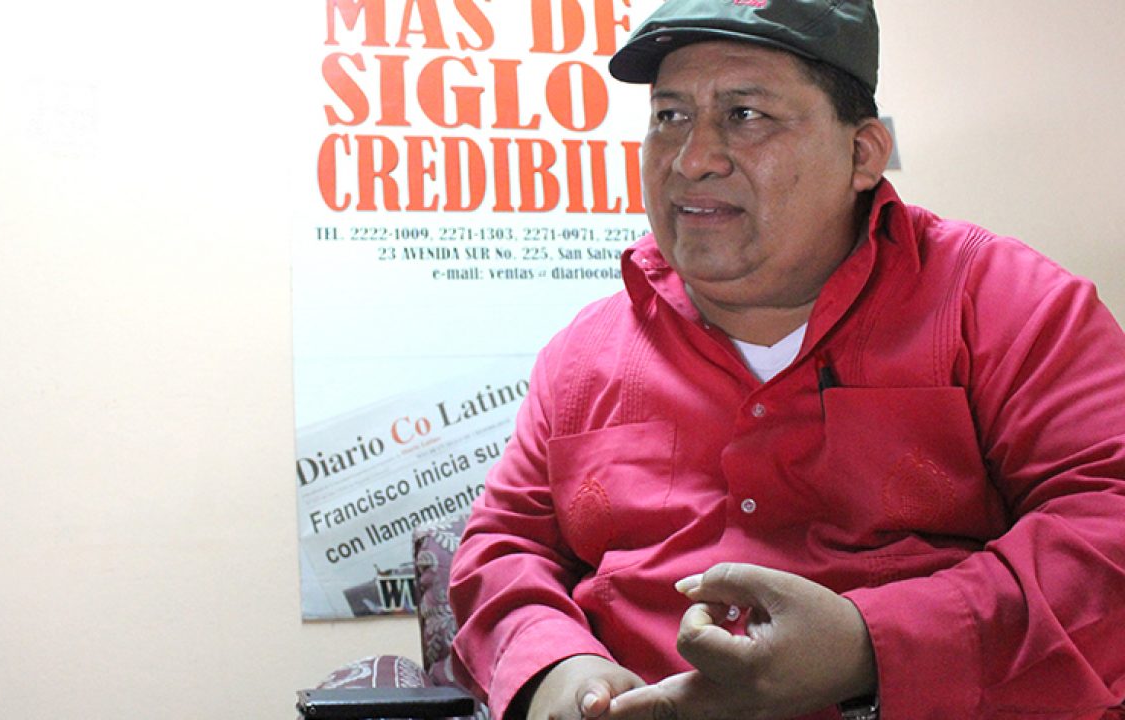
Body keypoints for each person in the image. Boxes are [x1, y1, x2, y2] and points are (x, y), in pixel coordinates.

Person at [446, 1, 1125, 719]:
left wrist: (871, 649)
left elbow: (1108, 525)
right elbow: (503, 547)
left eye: (745, 115)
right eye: (670, 116)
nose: (692, 159)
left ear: (863, 154)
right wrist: (556, 666)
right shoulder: (583, 355)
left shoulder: (1006, 305)